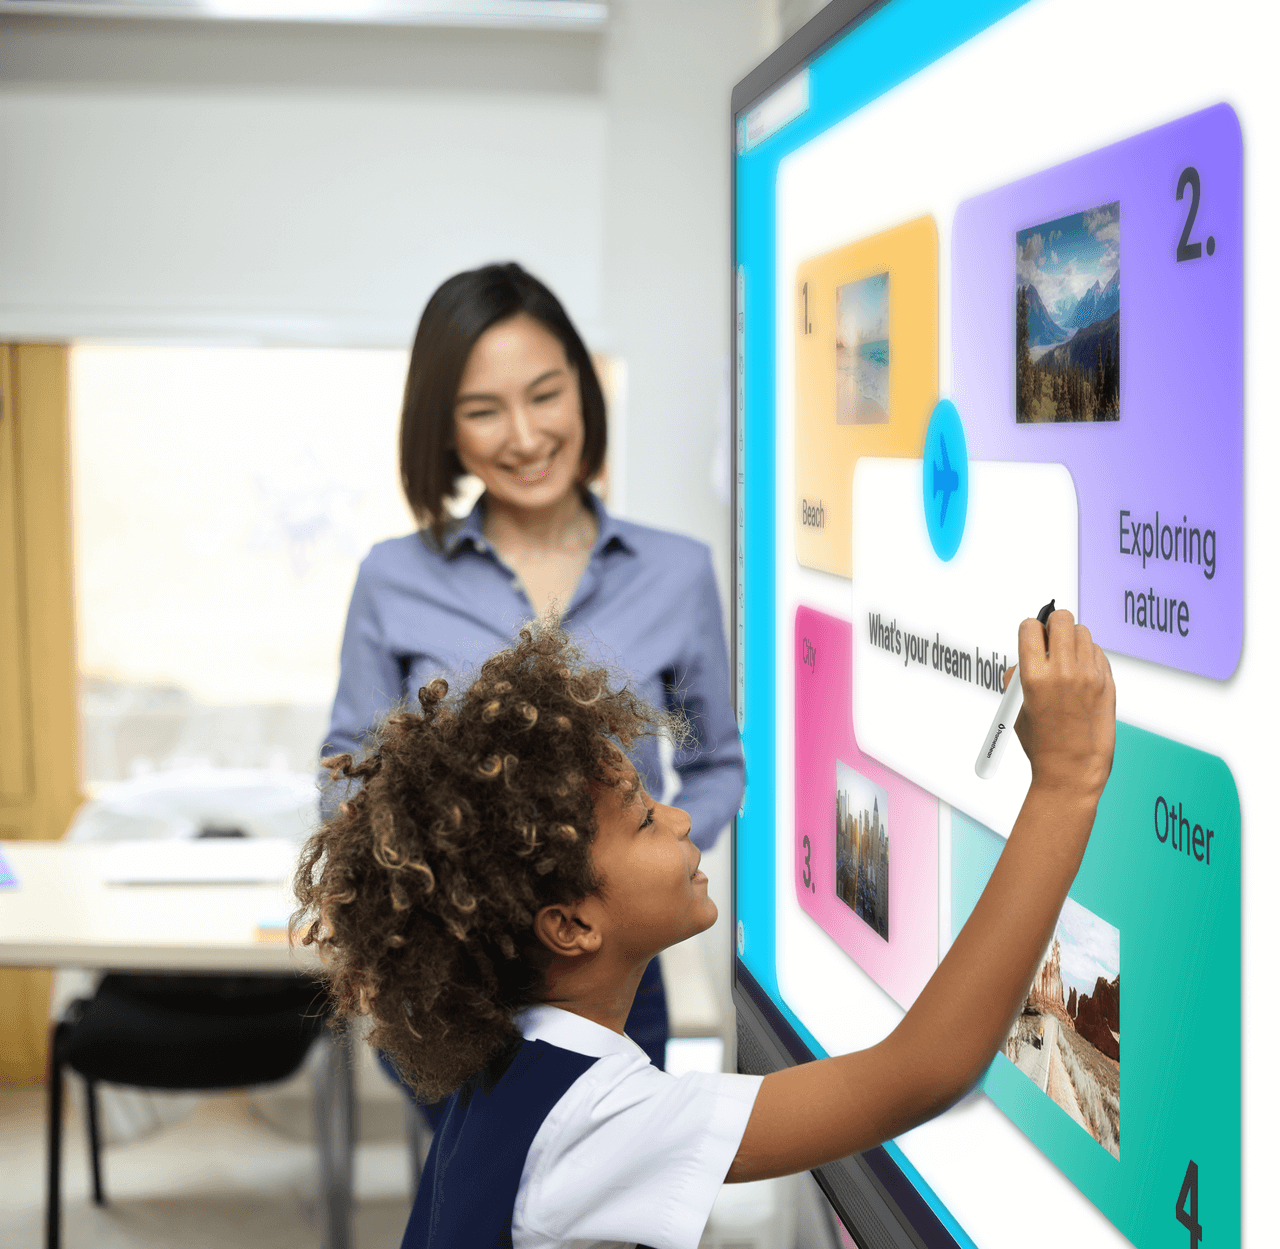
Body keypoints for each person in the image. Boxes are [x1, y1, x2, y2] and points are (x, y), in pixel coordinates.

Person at [296, 610, 1115, 1249]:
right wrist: (1067, 782)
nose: (686, 818)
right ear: (572, 923)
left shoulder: (512, 1065)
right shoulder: (592, 1118)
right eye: (647, 819)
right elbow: (921, 1071)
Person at [323, 263, 744, 1079]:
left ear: (584, 391)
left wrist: (647, 876)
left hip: (616, 974)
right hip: (452, 981)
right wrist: (382, 907)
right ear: (444, 428)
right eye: (483, 410)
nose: (523, 435)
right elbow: (349, 768)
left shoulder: (678, 571)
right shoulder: (391, 576)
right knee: (477, 1200)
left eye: (545, 394)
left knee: (610, 1200)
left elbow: (718, 765)